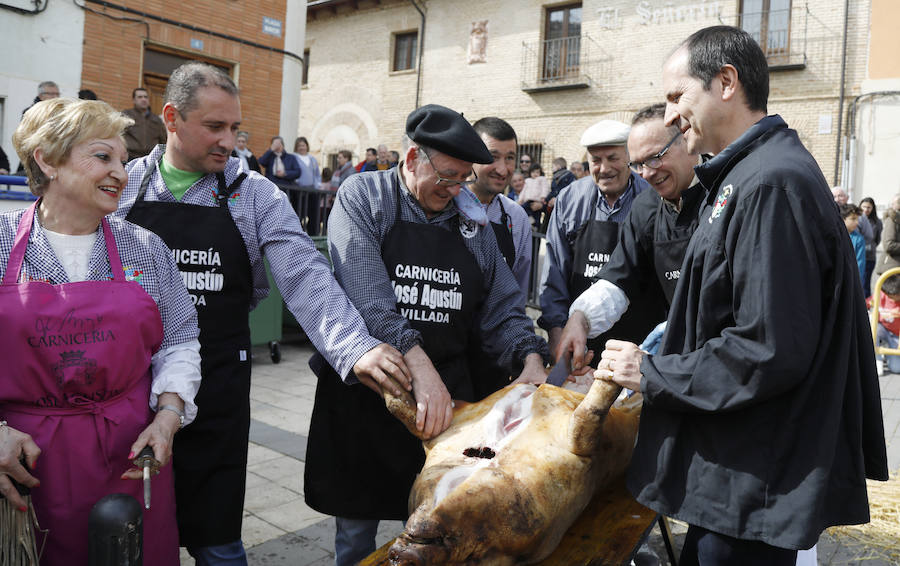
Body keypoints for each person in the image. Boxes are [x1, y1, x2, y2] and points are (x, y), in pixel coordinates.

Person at [598, 26, 887, 565]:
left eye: (676, 95)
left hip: (753, 478)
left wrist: (652, 372)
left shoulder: (771, 184)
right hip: (734, 471)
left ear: (725, 82)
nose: (668, 115)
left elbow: (769, 346)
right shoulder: (747, 177)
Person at [115, 62, 411, 565]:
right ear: (171, 117)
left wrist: (353, 347)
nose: (229, 142)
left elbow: (304, 273)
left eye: (235, 128)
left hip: (217, 389)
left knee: (218, 539)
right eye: (214, 127)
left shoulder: (253, 195)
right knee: (128, 534)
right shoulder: (124, 187)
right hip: (127, 389)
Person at [304, 104, 551, 566]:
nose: (456, 189)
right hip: (366, 401)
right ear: (413, 156)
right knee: (356, 539)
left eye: (463, 178)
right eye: (448, 176)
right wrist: (420, 366)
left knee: (434, 536)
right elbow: (368, 298)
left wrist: (530, 360)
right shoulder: (365, 196)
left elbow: (503, 307)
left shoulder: (471, 222)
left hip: (444, 416)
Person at [1, 97, 202, 565]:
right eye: (102, 156)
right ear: (46, 160)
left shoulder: (145, 249)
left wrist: (168, 415)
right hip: (26, 463)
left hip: (130, 456)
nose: (120, 172)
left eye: (124, 161)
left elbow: (179, 340)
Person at [557, 103, 704, 369]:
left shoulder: (724, 195)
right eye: (637, 164)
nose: (647, 173)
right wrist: (581, 318)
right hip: (670, 361)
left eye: (655, 157)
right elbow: (620, 277)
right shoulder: (646, 206)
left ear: (686, 138)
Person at [539, 119, 652, 360]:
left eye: (613, 158)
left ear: (629, 157)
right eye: (596, 161)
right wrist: (557, 332)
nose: (604, 168)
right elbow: (554, 273)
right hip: (578, 345)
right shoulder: (570, 200)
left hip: (637, 346)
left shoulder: (650, 198)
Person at [466, 116, 534, 398]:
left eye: (510, 158)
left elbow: (516, 295)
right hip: (444, 354)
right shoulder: (445, 206)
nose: (503, 169)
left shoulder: (515, 217)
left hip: (492, 357)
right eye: (492, 157)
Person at [122, 87, 168, 162]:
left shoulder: (156, 119)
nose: (143, 99)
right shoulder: (126, 115)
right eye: (140, 97)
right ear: (134, 100)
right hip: (130, 157)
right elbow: (119, 135)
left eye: (146, 97)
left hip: (150, 159)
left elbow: (163, 141)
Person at [869, 273, 900, 374]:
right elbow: (868, 303)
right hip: (882, 328)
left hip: (896, 335)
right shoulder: (881, 293)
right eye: (888, 296)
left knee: (896, 368)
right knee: (870, 320)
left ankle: (887, 349)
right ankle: (876, 358)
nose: (889, 298)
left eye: (893, 297)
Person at [292, 136, 323, 235]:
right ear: (296, 147)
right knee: (298, 214)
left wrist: (317, 185)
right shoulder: (293, 157)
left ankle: (313, 235)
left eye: (303, 145)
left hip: (312, 191)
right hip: (299, 191)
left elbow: (317, 174)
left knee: (313, 215)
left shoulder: (312, 159)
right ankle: (297, 235)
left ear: (307, 146)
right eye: (299, 145)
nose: (302, 147)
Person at [542, 157, 577, 231]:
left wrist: (557, 199)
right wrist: (546, 199)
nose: (552, 169)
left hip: (563, 208)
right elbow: (553, 191)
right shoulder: (555, 178)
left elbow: (571, 192)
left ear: (558, 166)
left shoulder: (569, 176)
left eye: (553, 167)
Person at [860, 196, 882, 297]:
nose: (866, 209)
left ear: (873, 208)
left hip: (869, 257)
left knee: (866, 282)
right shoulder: (856, 219)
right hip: (857, 255)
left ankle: (866, 305)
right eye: (864, 206)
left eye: (868, 207)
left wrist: (871, 246)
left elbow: (877, 239)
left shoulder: (877, 222)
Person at [841, 203, 867, 289]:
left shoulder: (859, 239)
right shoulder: (835, 236)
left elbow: (860, 264)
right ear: (843, 219)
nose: (856, 222)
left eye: (857, 219)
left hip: (851, 281)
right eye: (853, 219)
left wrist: (856, 284)